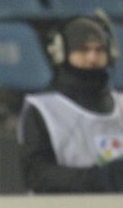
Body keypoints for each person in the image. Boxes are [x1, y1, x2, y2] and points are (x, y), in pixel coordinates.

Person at [17, 15, 123, 193]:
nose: (92, 58)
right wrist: (101, 178)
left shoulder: (120, 104)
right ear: (61, 53)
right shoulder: (43, 109)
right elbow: (37, 175)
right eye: (83, 50)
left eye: (100, 50)